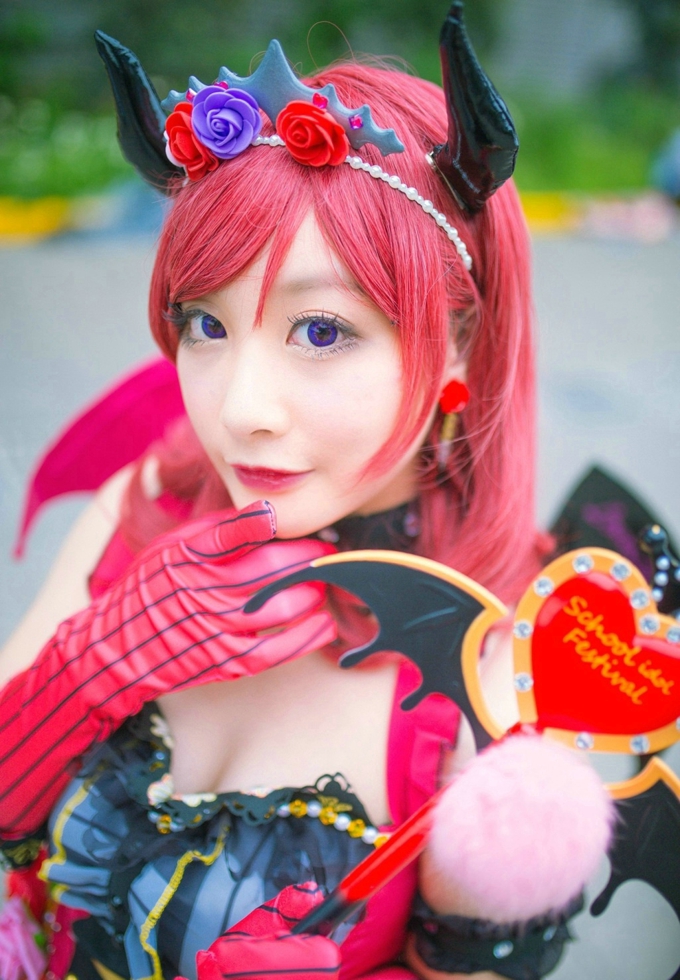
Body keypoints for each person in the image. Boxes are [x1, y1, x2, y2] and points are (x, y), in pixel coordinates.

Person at [0, 5, 599, 980]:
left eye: (321, 331)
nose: (240, 409)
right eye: (205, 323)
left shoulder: (505, 656)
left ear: (457, 344)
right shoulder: (139, 502)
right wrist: (93, 664)